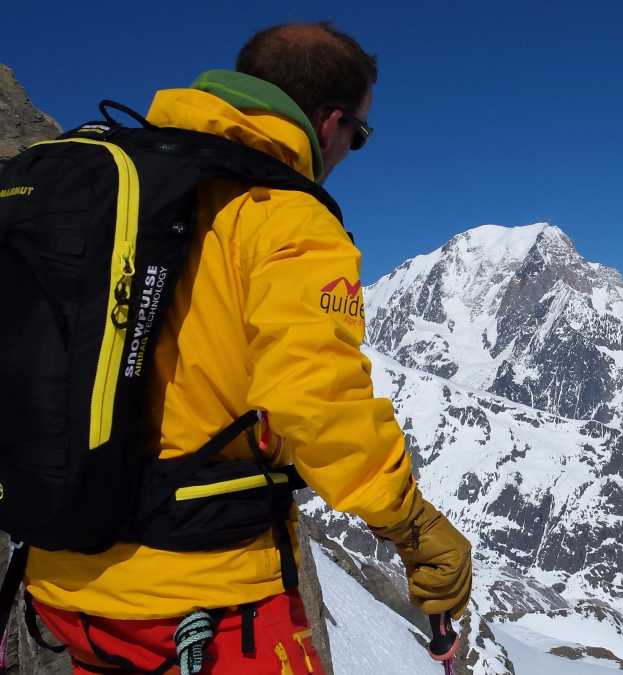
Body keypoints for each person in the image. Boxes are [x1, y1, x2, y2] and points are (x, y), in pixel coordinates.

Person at [23, 21, 472, 674]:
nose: (352, 150)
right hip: (205, 602)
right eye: (361, 136)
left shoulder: (113, 189)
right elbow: (318, 404)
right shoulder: (283, 214)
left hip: (60, 584)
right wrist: (413, 528)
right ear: (329, 122)